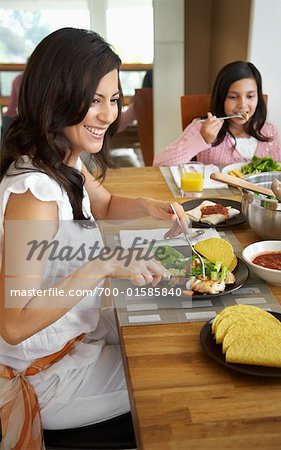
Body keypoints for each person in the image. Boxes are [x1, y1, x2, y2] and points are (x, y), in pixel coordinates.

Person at [0, 28, 187, 450]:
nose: (109, 115)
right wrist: (102, 265)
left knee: (167, 322)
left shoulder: (62, 159)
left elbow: (102, 205)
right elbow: (12, 324)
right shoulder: (35, 194)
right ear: (57, 95)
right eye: (94, 100)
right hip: (46, 373)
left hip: (73, 338)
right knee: (169, 373)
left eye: (115, 99)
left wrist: (147, 205)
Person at [153, 61, 281, 166]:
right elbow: (159, 163)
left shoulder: (268, 131)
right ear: (221, 98)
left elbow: (279, 175)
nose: (242, 104)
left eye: (250, 96)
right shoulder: (201, 127)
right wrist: (201, 139)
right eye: (233, 97)